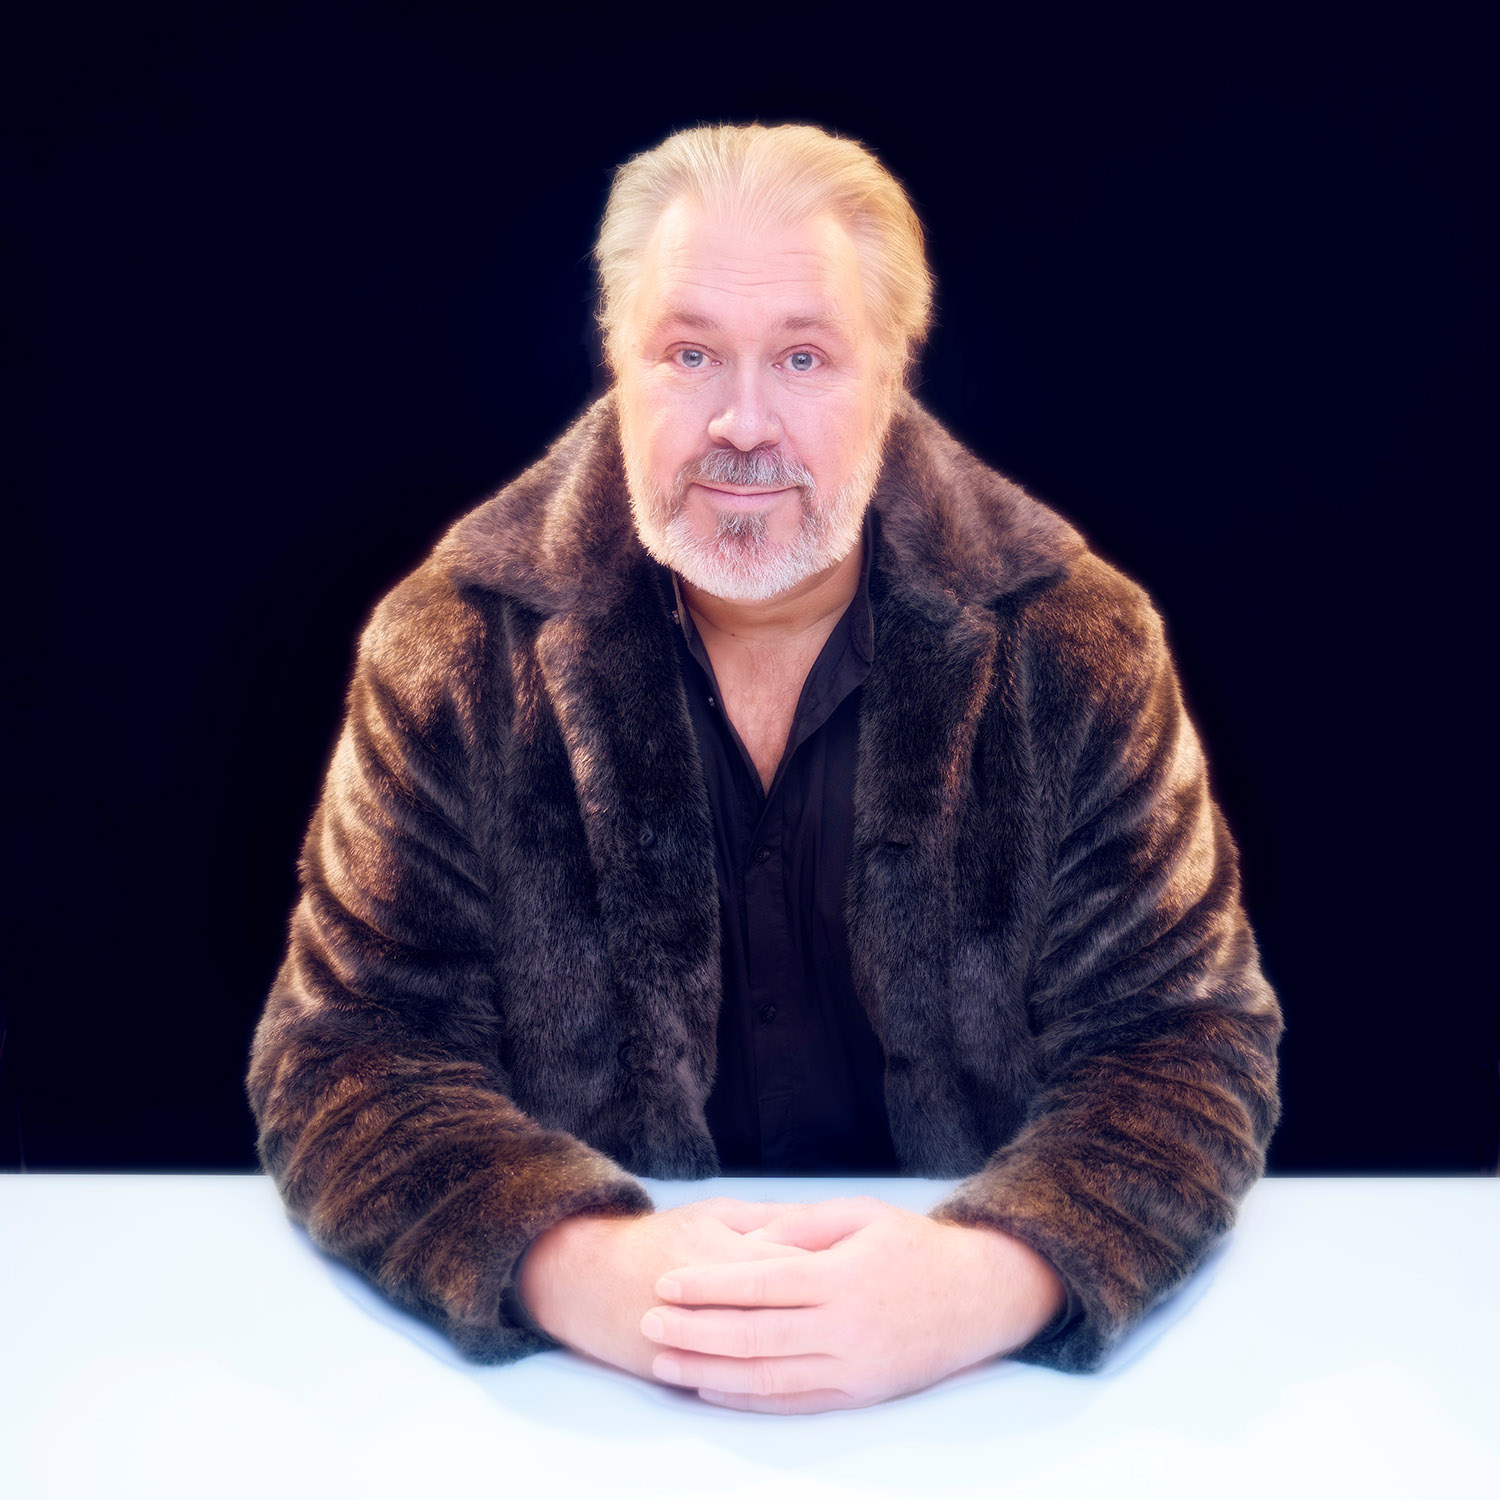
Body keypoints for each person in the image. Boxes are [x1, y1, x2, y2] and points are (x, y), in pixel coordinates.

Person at [248, 122, 1282, 1414]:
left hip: (983, 1410)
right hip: (584, 1410)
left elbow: (1183, 1040)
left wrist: (988, 1282)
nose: (743, 425)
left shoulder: (1073, 643)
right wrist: (590, 1272)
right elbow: (346, 1053)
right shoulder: (453, 646)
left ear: (892, 371)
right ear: (617, 360)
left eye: (803, 357)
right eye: (690, 355)